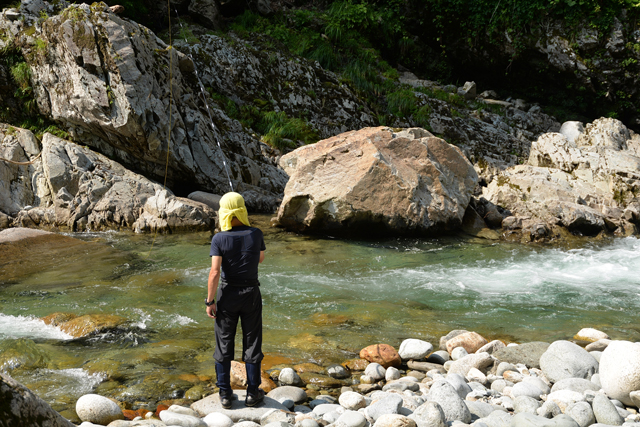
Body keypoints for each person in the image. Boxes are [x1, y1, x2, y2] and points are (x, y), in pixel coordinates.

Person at [206, 192, 266, 409]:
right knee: (252, 342)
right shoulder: (256, 233)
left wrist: (209, 301)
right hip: (251, 293)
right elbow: (259, 258)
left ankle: (224, 394)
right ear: (242, 210)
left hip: (227, 293)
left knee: (223, 343)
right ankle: (252, 394)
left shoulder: (219, 238)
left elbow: (214, 273)